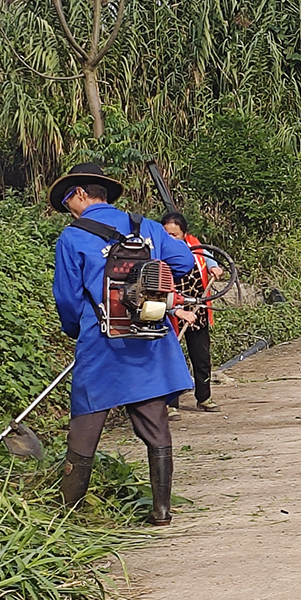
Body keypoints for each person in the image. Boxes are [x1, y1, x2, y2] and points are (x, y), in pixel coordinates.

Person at [50, 163, 197, 525]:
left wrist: (76, 329)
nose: (69, 209)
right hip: (149, 336)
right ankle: (162, 510)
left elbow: (67, 298)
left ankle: (68, 517)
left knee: (86, 426)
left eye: (68, 201)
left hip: (102, 340)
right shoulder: (146, 227)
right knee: (154, 422)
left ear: (81, 194)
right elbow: (183, 261)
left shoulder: (72, 237)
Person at [160, 211, 225, 416]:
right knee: (171, 358)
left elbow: (208, 258)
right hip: (170, 313)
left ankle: (204, 397)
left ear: (184, 234)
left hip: (198, 308)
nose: (171, 238)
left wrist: (214, 268)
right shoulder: (158, 252)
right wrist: (176, 310)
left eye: (175, 234)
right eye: (167, 234)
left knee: (201, 356)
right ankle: (170, 404)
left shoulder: (194, 246)